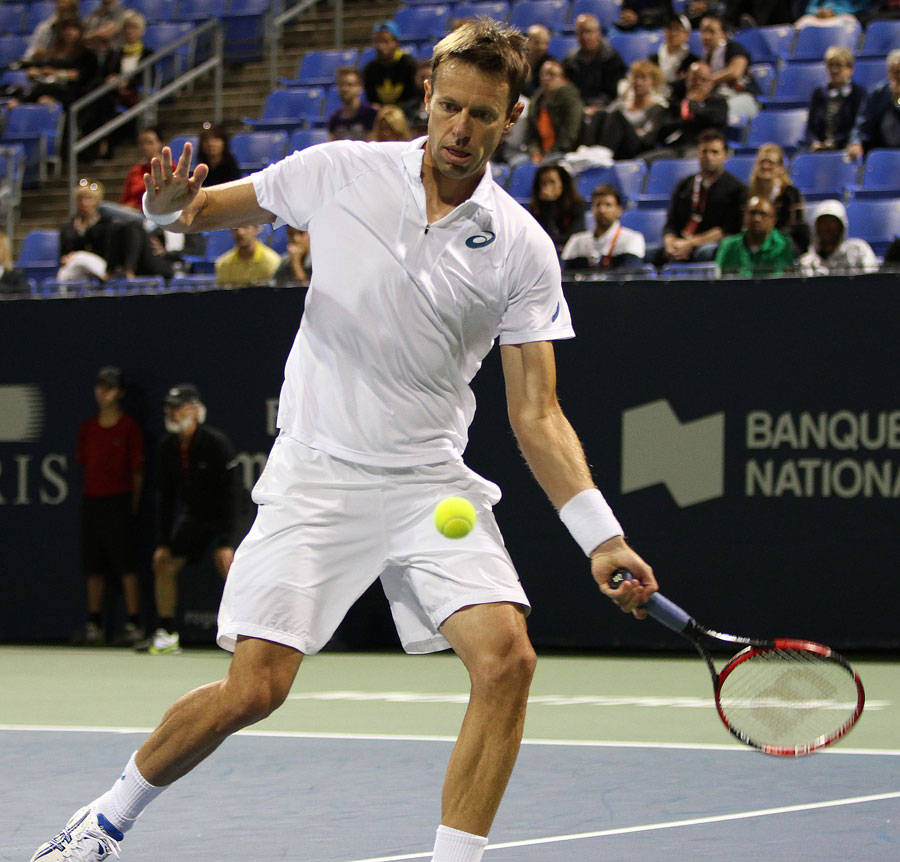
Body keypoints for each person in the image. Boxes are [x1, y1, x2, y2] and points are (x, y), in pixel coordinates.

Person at [30, 18, 656, 862]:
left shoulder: (522, 249)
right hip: (318, 472)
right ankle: (105, 819)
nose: (461, 129)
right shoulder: (338, 171)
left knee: (507, 659)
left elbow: (536, 415)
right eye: (449, 107)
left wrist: (601, 537)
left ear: (510, 118)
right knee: (256, 689)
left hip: (429, 482)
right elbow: (202, 210)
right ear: (427, 99)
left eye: (481, 114)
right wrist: (162, 203)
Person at [137, 383, 242, 656]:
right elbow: (166, 499)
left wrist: (227, 541)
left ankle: (245, 635)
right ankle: (168, 633)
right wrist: (163, 543)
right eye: (168, 408)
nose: (171, 413)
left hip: (228, 514)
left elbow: (232, 495)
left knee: (228, 563)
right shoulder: (166, 448)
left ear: (195, 411)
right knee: (163, 563)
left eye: (178, 407)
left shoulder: (216, 443)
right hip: (196, 516)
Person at [74, 366, 145, 647]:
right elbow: (84, 466)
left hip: (120, 502)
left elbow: (137, 472)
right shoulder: (88, 428)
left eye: (110, 387)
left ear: (120, 393)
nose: (103, 393)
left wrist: (132, 507)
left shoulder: (129, 428)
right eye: (100, 386)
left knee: (127, 566)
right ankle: (94, 624)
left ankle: (134, 624)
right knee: (93, 567)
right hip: (92, 503)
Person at [658, 128, 747, 264]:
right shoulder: (684, 185)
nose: (708, 157)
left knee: (705, 252)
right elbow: (671, 223)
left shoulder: (736, 189)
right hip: (681, 241)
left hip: (710, 244)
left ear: (725, 155)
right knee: (650, 253)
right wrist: (670, 242)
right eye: (704, 152)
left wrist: (692, 243)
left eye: (714, 152)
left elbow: (727, 230)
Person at [583, 59, 668, 160]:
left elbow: (647, 138)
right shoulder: (621, 103)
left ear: (653, 82)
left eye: (643, 78)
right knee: (600, 113)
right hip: (615, 144)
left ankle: (602, 156)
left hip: (636, 148)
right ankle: (586, 153)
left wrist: (627, 128)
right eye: (635, 77)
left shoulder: (656, 108)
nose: (638, 82)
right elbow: (606, 118)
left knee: (616, 116)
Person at [561, 183, 647, 272]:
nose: (602, 210)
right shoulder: (576, 241)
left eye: (608, 205)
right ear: (592, 209)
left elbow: (630, 277)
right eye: (598, 205)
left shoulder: (632, 238)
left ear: (619, 210)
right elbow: (565, 276)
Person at [747, 143, 810, 254]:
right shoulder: (749, 193)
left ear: (780, 167)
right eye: (762, 162)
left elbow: (796, 226)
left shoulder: (791, 193)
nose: (766, 166)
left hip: (781, 242)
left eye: (771, 163)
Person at [656, 60, 728, 157]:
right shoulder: (676, 103)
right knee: (645, 161)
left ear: (711, 83)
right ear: (686, 82)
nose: (698, 83)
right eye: (694, 79)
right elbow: (664, 127)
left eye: (703, 79)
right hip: (676, 147)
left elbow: (713, 120)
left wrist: (693, 103)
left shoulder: (718, 102)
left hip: (703, 149)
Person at [802, 46, 867, 152]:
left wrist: (836, 143)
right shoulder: (818, 93)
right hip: (819, 149)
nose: (834, 70)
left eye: (839, 65)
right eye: (830, 65)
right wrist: (814, 142)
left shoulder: (858, 93)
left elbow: (858, 126)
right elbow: (810, 127)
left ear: (850, 69)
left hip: (845, 148)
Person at [696, 14, 758, 124]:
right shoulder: (703, 57)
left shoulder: (734, 48)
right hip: (719, 101)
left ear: (723, 34)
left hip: (743, 98)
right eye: (703, 31)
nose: (706, 36)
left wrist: (708, 80)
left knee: (713, 114)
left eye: (711, 32)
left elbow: (736, 72)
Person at [714, 195, 795, 276]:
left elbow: (788, 280)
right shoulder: (729, 246)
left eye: (763, 214)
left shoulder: (783, 245)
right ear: (744, 216)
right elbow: (720, 279)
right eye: (752, 213)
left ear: (773, 220)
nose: (757, 219)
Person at [562, 14, 626, 113]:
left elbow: (613, 93)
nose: (585, 37)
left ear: (598, 33)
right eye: (581, 32)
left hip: (605, 109)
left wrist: (596, 108)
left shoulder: (612, 58)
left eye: (589, 32)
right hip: (578, 108)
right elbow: (569, 90)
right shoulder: (570, 60)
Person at [524, 59, 585, 163]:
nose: (546, 78)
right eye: (543, 74)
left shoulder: (571, 101)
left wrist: (549, 154)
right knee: (517, 164)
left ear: (562, 79)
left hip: (564, 153)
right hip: (540, 153)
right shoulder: (536, 102)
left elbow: (569, 136)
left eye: (552, 75)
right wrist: (535, 152)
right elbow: (531, 136)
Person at [797, 198, 879, 275]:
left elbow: (872, 279)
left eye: (833, 222)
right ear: (816, 227)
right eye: (823, 223)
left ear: (842, 226)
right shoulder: (808, 262)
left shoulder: (858, 251)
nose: (828, 228)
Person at [846, 50, 900, 161]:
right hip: (882, 154)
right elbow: (862, 125)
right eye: (896, 71)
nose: (899, 76)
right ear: (889, 73)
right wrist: (856, 143)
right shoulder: (878, 93)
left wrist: (897, 103)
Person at [528, 163, 587, 252]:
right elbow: (541, 239)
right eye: (544, 183)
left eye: (552, 182)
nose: (548, 188)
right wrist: (548, 205)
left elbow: (576, 237)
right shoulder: (535, 209)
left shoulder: (576, 205)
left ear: (562, 184)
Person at [361, 20, 418, 107]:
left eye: (385, 41)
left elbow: (414, 97)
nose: (380, 46)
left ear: (396, 43)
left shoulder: (409, 65)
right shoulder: (370, 69)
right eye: (377, 41)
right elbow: (371, 100)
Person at [214, 224, 282, 286]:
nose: (240, 232)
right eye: (235, 228)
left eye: (245, 227)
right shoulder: (223, 264)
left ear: (256, 229)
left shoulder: (272, 262)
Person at [327, 66, 377, 141]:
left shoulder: (371, 114)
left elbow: (371, 146)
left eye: (349, 84)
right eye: (341, 84)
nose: (345, 89)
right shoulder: (334, 119)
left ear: (360, 87)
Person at [120, 127, 164, 210]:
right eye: (141, 143)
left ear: (160, 143)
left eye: (149, 143)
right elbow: (124, 199)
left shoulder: (170, 168)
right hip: (129, 212)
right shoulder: (135, 170)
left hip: (150, 212)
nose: (145, 147)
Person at [649, 15, 698, 89]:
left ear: (687, 35)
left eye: (677, 29)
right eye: (669, 28)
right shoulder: (653, 59)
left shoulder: (692, 62)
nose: (673, 33)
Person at [197, 122, 242, 187]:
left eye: (216, 139)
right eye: (206, 140)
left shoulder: (231, 167)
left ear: (224, 143)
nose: (211, 144)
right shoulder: (201, 167)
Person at [522, 23, 551, 97]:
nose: (542, 47)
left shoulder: (551, 64)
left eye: (545, 43)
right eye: (537, 42)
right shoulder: (519, 61)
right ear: (527, 41)